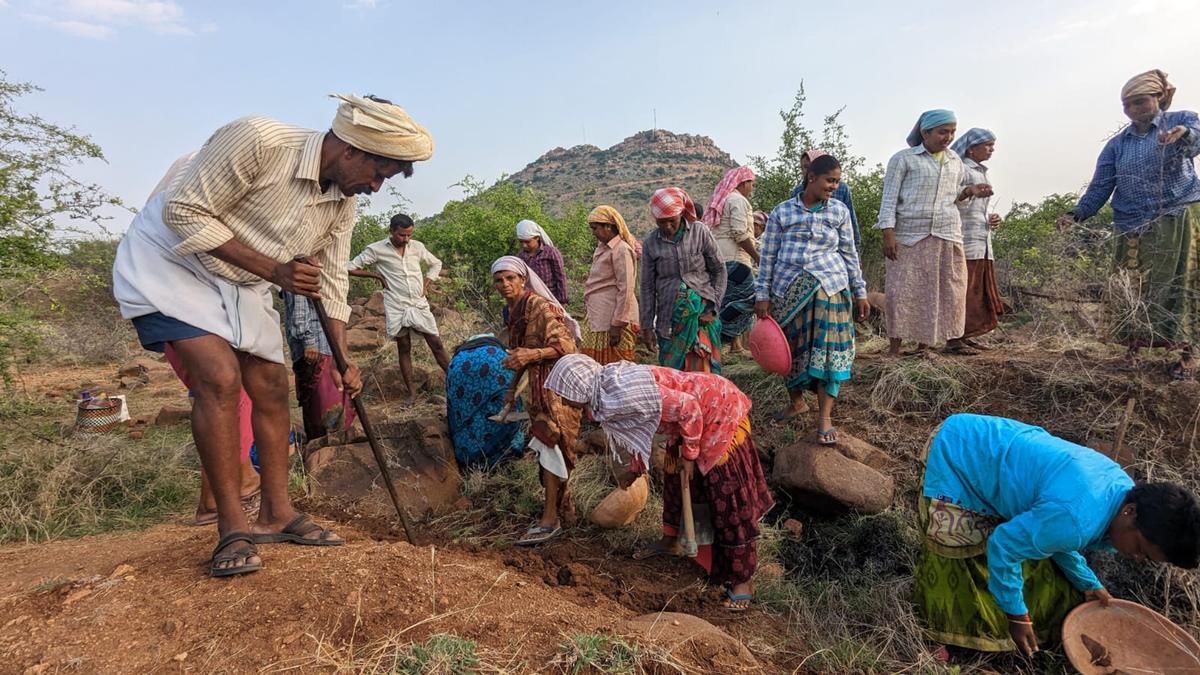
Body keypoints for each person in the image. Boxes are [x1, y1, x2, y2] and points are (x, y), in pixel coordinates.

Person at [112, 93, 433, 577]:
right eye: (379, 174)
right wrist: (276, 271)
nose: (376, 187)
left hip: (244, 278)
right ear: (352, 150)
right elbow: (184, 212)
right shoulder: (260, 140)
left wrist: (343, 357)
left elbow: (332, 282)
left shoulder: (340, 205)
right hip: (172, 263)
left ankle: (276, 514)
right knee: (219, 380)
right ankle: (231, 528)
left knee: (269, 387)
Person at [914, 413, 1200, 657]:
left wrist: (1087, 582)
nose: (1136, 557)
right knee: (957, 549)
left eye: (1146, 558)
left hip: (994, 443)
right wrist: (1016, 615)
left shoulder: (1121, 490)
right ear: (1131, 513)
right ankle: (941, 638)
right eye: (1140, 548)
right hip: (957, 453)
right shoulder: (1076, 518)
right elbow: (1004, 544)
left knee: (1038, 561)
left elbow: (1059, 533)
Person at [544, 354, 774, 611]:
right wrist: (635, 469)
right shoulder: (605, 393)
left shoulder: (623, 393)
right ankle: (676, 542)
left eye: (564, 391)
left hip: (716, 412)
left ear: (580, 385)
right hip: (685, 423)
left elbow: (689, 408)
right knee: (677, 483)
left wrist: (690, 455)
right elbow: (640, 432)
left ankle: (743, 579)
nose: (562, 399)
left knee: (726, 498)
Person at [1056, 70, 1200, 380]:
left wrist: (1182, 135)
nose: (1132, 110)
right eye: (1126, 105)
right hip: (1130, 222)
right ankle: (1131, 351)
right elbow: (1101, 185)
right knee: (1129, 288)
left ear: (1157, 98)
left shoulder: (1182, 120)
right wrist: (1076, 214)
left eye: (1139, 102)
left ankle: (1187, 354)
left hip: (1174, 216)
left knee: (1178, 285)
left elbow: (1196, 141)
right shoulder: (1117, 145)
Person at [755, 154, 870, 438]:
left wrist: (860, 291)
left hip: (831, 288)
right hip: (788, 290)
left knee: (830, 354)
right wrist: (762, 293)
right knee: (789, 352)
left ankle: (824, 419)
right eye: (830, 180)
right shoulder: (782, 212)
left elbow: (849, 254)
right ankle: (796, 404)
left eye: (837, 181)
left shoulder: (839, 212)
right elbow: (767, 256)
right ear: (812, 178)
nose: (834, 186)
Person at [876, 109, 993, 357]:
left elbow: (955, 200)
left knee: (939, 291)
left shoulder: (955, 162)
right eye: (942, 132)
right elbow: (888, 200)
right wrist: (888, 233)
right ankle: (894, 350)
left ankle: (924, 347)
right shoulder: (904, 159)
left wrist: (969, 191)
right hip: (910, 235)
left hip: (946, 233)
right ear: (925, 132)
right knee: (901, 291)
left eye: (952, 132)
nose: (948, 137)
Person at [490, 256, 582, 546]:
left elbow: (566, 346)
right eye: (499, 280)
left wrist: (532, 356)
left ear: (522, 280)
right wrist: (511, 388)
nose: (505, 285)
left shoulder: (539, 307)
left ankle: (550, 517)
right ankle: (561, 511)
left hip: (557, 387)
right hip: (538, 389)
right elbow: (518, 351)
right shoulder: (512, 311)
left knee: (552, 446)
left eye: (510, 279)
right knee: (547, 448)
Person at [348, 213, 450, 401]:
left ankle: (456, 381)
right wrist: (377, 276)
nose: (406, 239)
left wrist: (427, 282)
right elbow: (350, 267)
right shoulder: (377, 249)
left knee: (436, 343)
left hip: (418, 303)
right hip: (396, 303)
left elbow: (436, 263)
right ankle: (412, 393)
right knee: (404, 346)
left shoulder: (417, 247)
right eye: (402, 235)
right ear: (391, 231)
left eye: (409, 235)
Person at [640, 187, 728, 372]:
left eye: (671, 221)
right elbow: (647, 287)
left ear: (681, 214)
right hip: (669, 318)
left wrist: (714, 308)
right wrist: (646, 325)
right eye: (661, 222)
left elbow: (719, 270)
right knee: (674, 374)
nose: (667, 227)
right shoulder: (650, 243)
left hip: (703, 314)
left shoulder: (700, 232)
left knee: (704, 371)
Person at [950, 128, 1005, 350]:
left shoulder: (982, 172)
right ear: (972, 148)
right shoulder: (960, 169)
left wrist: (990, 218)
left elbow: (978, 207)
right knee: (963, 287)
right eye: (988, 145)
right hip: (965, 237)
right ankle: (953, 337)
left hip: (980, 238)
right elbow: (952, 197)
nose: (992, 150)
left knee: (975, 290)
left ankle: (965, 334)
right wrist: (969, 192)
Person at [281, 290, 357, 443]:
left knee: (323, 399)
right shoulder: (300, 267)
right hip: (317, 344)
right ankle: (327, 448)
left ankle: (329, 446)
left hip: (321, 344)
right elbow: (299, 299)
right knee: (323, 400)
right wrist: (308, 339)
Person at [446, 333, 526, 469]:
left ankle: (469, 456)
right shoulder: (500, 347)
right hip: (495, 359)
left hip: (459, 366)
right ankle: (509, 449)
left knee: (465, 411)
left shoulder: (460, 353)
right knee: (508, 404)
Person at [705, 166, 760, 353]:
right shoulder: (738, 200)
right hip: (736, 259)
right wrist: (757, 257)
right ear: (744, 183)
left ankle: (735, 345)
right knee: (751, 299)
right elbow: (739, 233)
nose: (752, 188)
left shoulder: (722, 200)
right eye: (751, 184)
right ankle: (719, 338)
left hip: (717, 259)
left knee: (728, 300)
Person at [582, 206, 640, 364]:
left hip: (612, 320)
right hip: (600, 317)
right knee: (595, 367)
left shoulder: (621, 250)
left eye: (595, 228)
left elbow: (626, 288)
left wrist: (617, 324)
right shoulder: (603, 248)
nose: (593, 233)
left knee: (616, 370)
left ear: (608, 226)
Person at [793, 149, 863, 250]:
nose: (805, 171)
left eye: (809, 167)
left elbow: (851, 219)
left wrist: (856, 248)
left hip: (835, 245)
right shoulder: (797, 192)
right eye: (804, 167)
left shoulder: (842, 189)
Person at [516, 219, 569, 304]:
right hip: (531, 299)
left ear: (537, 238)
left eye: (527, 242)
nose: (524, 245)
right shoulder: (521, 257)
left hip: (550, 298)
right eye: (521, 242)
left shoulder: (550, 252)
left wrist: (562, 300)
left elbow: (560, 277)